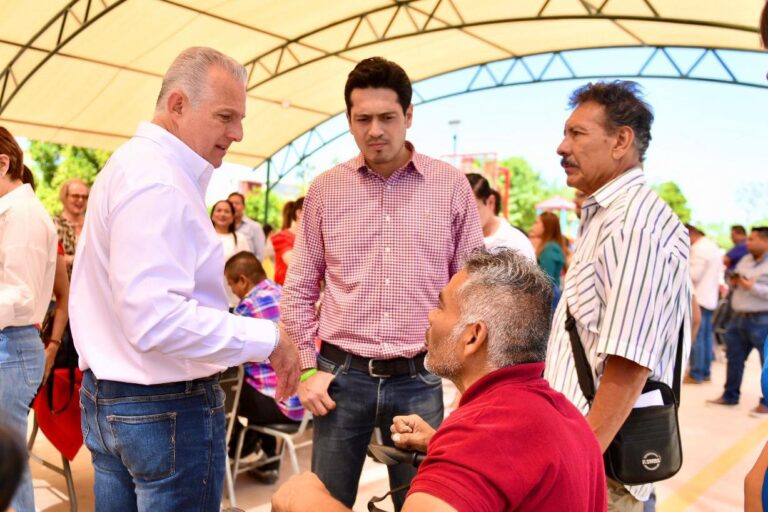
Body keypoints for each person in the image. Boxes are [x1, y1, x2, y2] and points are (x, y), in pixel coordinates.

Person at [69, 47, 299, 512]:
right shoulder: (158, 180)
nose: (237, 133)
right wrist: (268, 337)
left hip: (116, 398)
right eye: (225, 117)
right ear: (177, 105)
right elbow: (156, 321)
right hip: (163, 407)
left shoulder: (136, 165)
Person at [280, 56, 483, 510]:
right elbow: (298, 291)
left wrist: (466, 379)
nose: (375, 130)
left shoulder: (449, 187)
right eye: (363, 118)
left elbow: (472, 289)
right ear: (349, 121)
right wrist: (308, 371)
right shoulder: (325, 190)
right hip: (338, 378)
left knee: (422, 503)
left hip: (419, 377)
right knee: (325, 503)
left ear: (408, 116)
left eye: (387, 117)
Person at [272, 249, 607, 512]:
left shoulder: (482, 434)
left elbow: (488, 450)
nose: (430, 316)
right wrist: (440, 445)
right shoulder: (564, 415)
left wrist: (307, 502)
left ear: (473, 337)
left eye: (441, 306)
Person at [544, 81, 691, 511]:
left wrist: (579, 465)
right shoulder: (607, 218)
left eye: (577, 134)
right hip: (593, 458)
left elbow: (628, 367)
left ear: (621, 140)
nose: (561, 147)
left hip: (602, 474)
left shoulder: (634, 224)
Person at [0, 126, 58, 512]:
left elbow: (19, 293)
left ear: (3, 163)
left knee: (7, 466)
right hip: (12, 343)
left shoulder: (21, 213)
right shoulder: (16, 210)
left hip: (12, 344)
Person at [224, 251, 304, 484]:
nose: (233, 292)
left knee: (224, 394)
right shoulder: (284, 293)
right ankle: (267, 460)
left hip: (279, 403)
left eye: (231, 285)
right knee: (256, 381)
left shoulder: (247, 307)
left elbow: (230, 355)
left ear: (243, 280)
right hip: (303, 401)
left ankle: (247, 449)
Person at [707, 227, 768, 415]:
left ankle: (766, 403)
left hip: (762, 319)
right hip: (738, 317)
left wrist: (751, 286)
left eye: (752, 239)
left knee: (765, 365)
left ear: (765, 241)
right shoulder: (745, 259)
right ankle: (730, 395)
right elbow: (733, 276)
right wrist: (733, 280)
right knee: (734, 359)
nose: (747, 243)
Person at [684, 224, 722, 384]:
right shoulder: (711, 246)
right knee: (706, 336)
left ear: (691, 234)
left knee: (698, 336)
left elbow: (694, 274)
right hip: (708, 298)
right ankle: (704, 371)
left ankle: (696, 373)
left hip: (699, 298)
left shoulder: (699, 249)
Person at [465, 172, 535, 259]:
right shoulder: (462, 240)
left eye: (472, 210)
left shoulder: (515, 244)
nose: (465, 218)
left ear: (491, 202)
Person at [211, 199, 251, 308]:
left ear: (233, 216)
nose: (222, 214)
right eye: (218, 210)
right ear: (212, 215)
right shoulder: (204, 237)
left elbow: (247, 267)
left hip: (233, 300)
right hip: (208, 298)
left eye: (227, 211)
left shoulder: (240, 238)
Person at [530, 211, 567, 306]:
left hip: (548, 299)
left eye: (537, 223)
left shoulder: (550, 248)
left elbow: (546, 279)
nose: (533, 225)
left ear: (546, 226)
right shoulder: (549, 246)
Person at [54, 178, 89, 277]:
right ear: (64, 197)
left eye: (85, 197)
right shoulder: (53, 225)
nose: (80, 200)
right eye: (75, 196)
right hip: (65, 289)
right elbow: (50, 259)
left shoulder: (91, 225)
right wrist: (75, 259)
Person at [269, 198, 303, 286]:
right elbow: (297, 265)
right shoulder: (282, 237)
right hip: (287, 293)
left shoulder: (314, 239)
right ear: (299, 213)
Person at [228, 191, 266, 260]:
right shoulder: (223, 226)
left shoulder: (255, 227)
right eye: (231, 203)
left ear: (243, 206)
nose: (233, 206)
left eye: (237, 203)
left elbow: (260, 255)